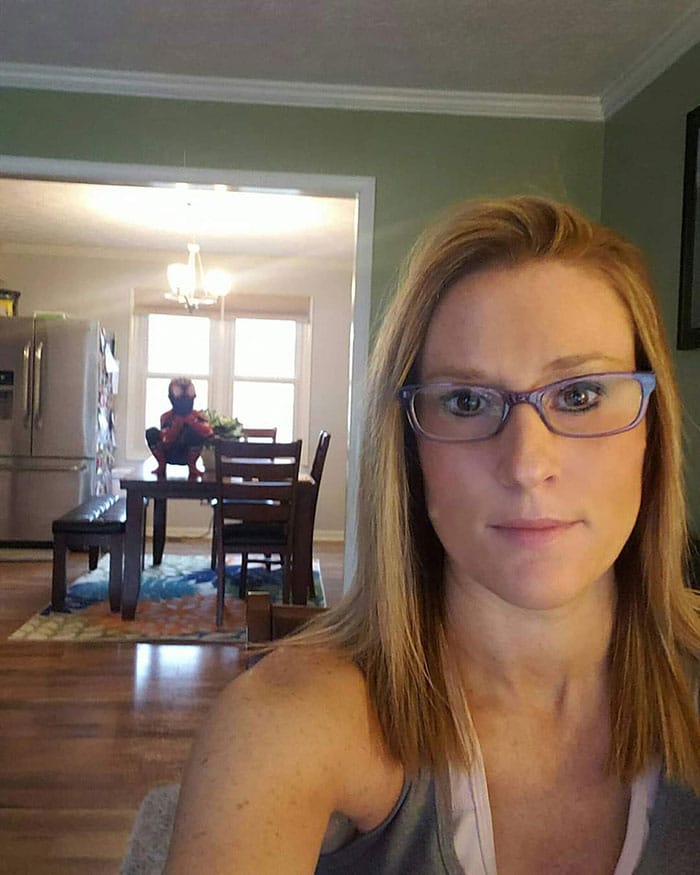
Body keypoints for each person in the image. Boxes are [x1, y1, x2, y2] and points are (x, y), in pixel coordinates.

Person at [164, 196, 700, 874]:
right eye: (466, 401)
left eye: (580, 395)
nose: (527, 464)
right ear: (410, 448)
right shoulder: (284, 723)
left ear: (652, 431)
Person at [145, 377, 213, 478]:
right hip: (169, 453)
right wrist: (177, 424)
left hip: (188, 454)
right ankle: (161, 465)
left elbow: (209, 433)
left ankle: (192, 467)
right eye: (179, 398)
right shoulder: (167, 417)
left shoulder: (198, 416)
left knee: (193, 434)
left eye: (188, 397)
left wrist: (193, 423)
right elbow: (166, 439)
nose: (184, 401)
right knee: (151, 432)